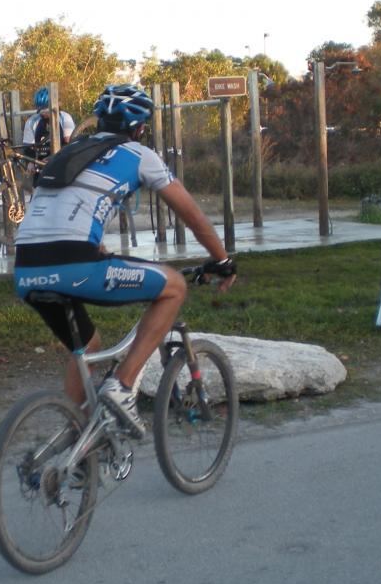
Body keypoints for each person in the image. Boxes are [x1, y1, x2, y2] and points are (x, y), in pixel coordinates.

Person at [13, 84, 236, 436]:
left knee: (85, 347)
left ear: (100, 120)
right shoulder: (139, 155)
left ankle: (76, 445)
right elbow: (191, 214)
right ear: (140, 129)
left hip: (26, 269)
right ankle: (122, 386)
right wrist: (222, 260)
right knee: (174, 286)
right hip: (75, 265)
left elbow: (64, 216)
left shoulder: (69, 153)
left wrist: (98, 251)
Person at [22, 87, 75, 159]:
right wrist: (31, 163)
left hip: (61, 157)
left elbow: (70, 143)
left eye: (46, 109)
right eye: (40, 109)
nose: (43, 113)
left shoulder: (65, 117)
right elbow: (27, 148)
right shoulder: (31, 121)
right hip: (40, 160)